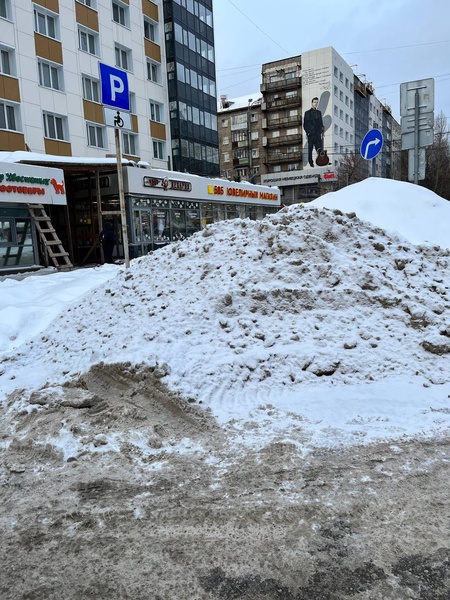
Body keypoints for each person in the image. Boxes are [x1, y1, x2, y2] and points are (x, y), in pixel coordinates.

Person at [303, 97, 324, 167]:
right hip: (311, 134)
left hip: (318, 133)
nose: (316, 104)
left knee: (319, 148)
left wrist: (322, 129)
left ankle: (321, 160)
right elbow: (305, 124)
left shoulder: (319, 113)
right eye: (315, 102)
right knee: (310, 148)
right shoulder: (307, 113)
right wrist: (308, 132)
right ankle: (310, 161)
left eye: (317, 102)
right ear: (312, 103)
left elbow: (321, 123)